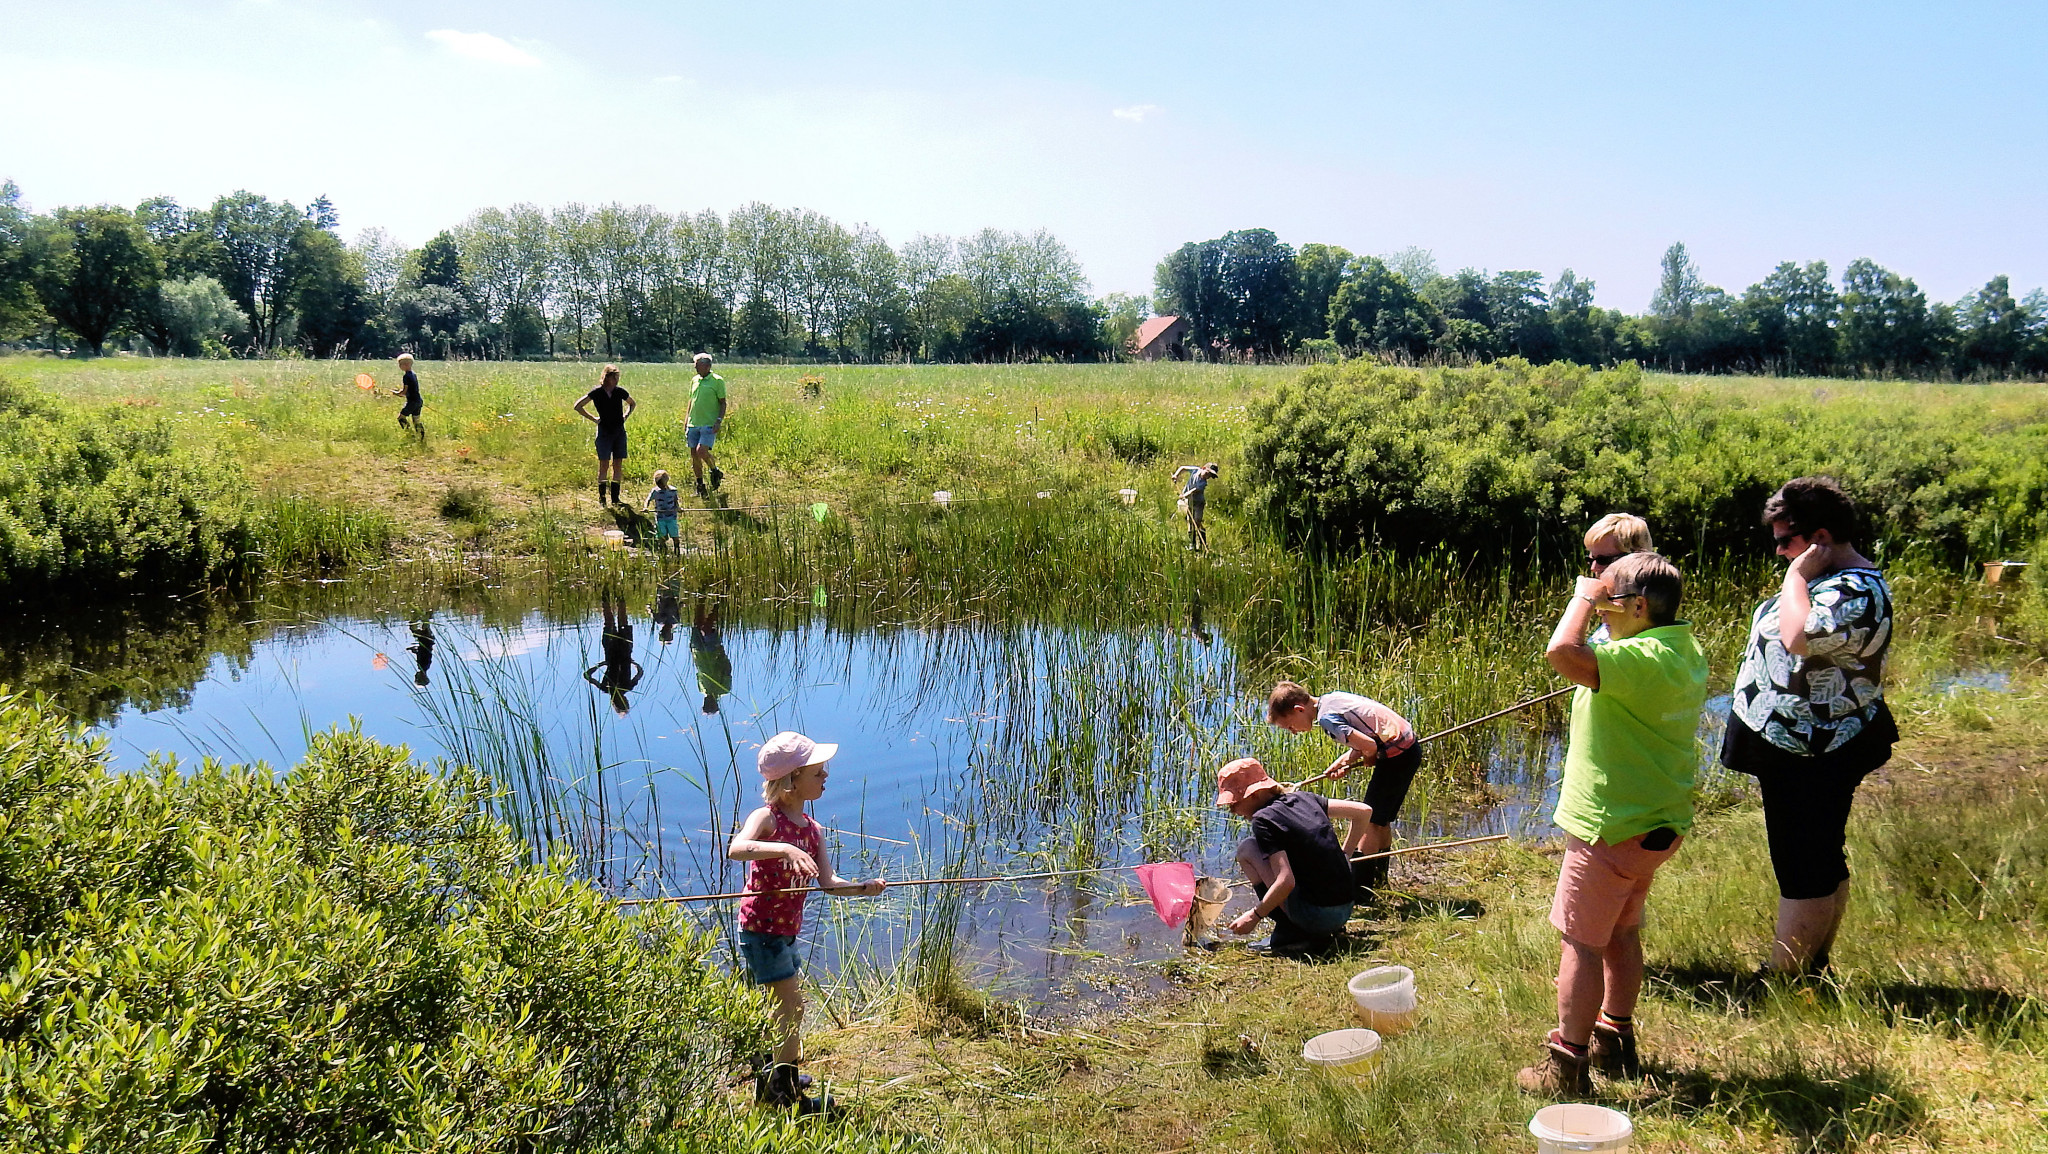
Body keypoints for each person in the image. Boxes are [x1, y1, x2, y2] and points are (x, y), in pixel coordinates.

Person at [1518, 552, 1707, 1095]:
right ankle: (1614, 1038)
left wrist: (1581, 595)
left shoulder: (1639, 658)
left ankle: (1567, 1067)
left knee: (1580, 943)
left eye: (1608, 601)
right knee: (1622, 931)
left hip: (1610, 826)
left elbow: (1561, 651)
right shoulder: (1681, 649)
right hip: (1655, 824)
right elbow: (1595, 658)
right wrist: (1605, 601)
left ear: (1640, 607)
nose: (1600, 610)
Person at [1721, 476, 1896, 977]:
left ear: (1819, 538)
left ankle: (1782, 977)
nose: (1779, 553)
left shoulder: (1853, 591)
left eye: (1785, 541)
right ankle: (1813, 965)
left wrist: (1796, 576)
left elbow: (1797, 637)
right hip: (1797, 740)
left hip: (1816, 746)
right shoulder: (1832, 583)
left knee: (1803, 864)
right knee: (1819, 854)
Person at [728, 731, 887, 1112]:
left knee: (781, 1007)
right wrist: (782, 848)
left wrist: (863, 888)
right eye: (818, 772)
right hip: (760, 931)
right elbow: (737, 848)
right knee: (791, 1008)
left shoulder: (814, 831)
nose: (825, 777)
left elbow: (829, 884)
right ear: (791, 781)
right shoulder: (767, 818)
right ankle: (780, 1092)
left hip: (785, 934)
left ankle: (773, 1070)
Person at [1215, 757, 1373, 955]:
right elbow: (1364, 812)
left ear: (1253, 794)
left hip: (1318, 918)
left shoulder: (1263, 820)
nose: (1233, 811)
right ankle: (1313, 927)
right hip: (1346, 907)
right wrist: (1345, 855)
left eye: (1234, 803)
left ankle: (1293, 932)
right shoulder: (1305, 798)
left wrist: (1254, 916)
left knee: (1247, 849)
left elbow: (1286, 881)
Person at [1266, 682, 1420, 868]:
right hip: (1406, 747)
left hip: (1397, 755)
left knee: (1370, 821)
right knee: (1380, 819)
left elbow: (1370, 746)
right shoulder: (1331, 699)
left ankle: (1362, 883)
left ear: (1299, 709)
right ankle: (1379, 877)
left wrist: (1370, 757)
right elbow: (1365, 738)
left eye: (1290, 726)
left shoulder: (1326, 718)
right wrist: (1345, 761)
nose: (1293, 732)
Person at [1583, 514, 1654, 644]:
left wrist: (1583, 600)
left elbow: (1562, 649)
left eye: (1603, 560)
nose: (1593, 568)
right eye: (1590, 560)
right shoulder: (1609, 619)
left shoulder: (1639, 616)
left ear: (1636, 558)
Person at [573, 364, 636, 505]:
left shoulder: (619, 392)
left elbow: (632, 403)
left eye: (617, 377)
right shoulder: (597, 392)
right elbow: (578, 406)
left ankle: (615, 499)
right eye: (614, 377)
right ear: (607, 377)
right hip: (604, 432)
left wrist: (626, 416)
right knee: (604, 465)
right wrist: (594, 418)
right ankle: (602, 499)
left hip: (619, 431)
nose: (616, 380)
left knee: (618, 464)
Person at [581, 590, 642, 716]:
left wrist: (602, 664)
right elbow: (640, 673)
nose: (624, 699)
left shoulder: (608, 689)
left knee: (613, 622)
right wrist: (633, 663)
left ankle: (609, 596)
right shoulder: (622, 688)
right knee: (619, 622)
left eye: (623, 702)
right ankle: (618, 596)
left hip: (614, 652)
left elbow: (587, 675)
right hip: (622, 652)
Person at [686, 353, 727, 496]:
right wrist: (687, 420)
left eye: (697, 365)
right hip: (693, 423)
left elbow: (723, 403)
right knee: (694, 455)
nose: (695, 368)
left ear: (707, 366)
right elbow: (691, 401)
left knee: (701, 451)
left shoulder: (717, 381)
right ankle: (700, 486)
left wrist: (718, 421)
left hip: (708, 424)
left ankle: (714, 470)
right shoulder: (695, 380)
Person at [691, 597, 733, 715]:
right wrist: (721, 652)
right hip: (712, 652)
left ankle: (701, 597)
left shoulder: (701, 690)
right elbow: (727, 670)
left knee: (697, 624)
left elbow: (699, 671)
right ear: (715, 703)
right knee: (707, 628)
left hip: (697, 651)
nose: (706, 702)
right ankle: (717, 604)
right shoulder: (724, 689)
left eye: (705, 704)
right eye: (709, 704)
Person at [1172, 462, 1219, 550]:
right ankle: (1192, 544)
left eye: (1210, 476)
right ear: (1204, 468)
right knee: (1190, 522)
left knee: (1197, 521)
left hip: (1199, 503)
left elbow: (1194, 490)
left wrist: (1185, 495)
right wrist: (1176, 475)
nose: (1207, 476)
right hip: (1190, 501)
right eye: (1208, 473)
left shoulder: (1204, 483)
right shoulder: (1195, 470)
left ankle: (1203, 541)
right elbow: (1183, 467)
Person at [643, 468, 682, 556]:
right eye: (659, 484)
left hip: (672, 517)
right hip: (660, 518)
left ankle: (677, 554)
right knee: (662, 537)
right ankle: (663, 554)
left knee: (675, 537)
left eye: (662, 483)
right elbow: (648, 500)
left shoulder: (673, 491)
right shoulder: (655, 491)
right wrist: (645, 507)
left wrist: (678, 508)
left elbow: (676, 501)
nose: (661, 486)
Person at [389, 353, 423, 435]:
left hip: (411, 402)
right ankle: (421, 438)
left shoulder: (406, 376)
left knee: (400, 418)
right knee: (416, 420)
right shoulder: (413, 374)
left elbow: (403, 392)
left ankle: (409, 434)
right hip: (418, 401)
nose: (399, 366)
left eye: (401, 364)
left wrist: (396, 393)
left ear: (407, 364)